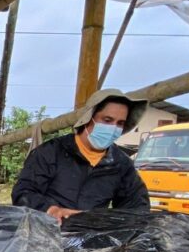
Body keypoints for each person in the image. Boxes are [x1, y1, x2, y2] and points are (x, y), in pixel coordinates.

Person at [12, 89, 150, 223]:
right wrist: (50, 210)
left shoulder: (122, 164)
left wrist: (110, 223)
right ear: (88, 118)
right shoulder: (51, 151)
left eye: (120, 123)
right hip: (46, 234)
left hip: (90, 239)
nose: (113, 128)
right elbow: (23, 192)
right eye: (107, 120)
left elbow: (137, 208)